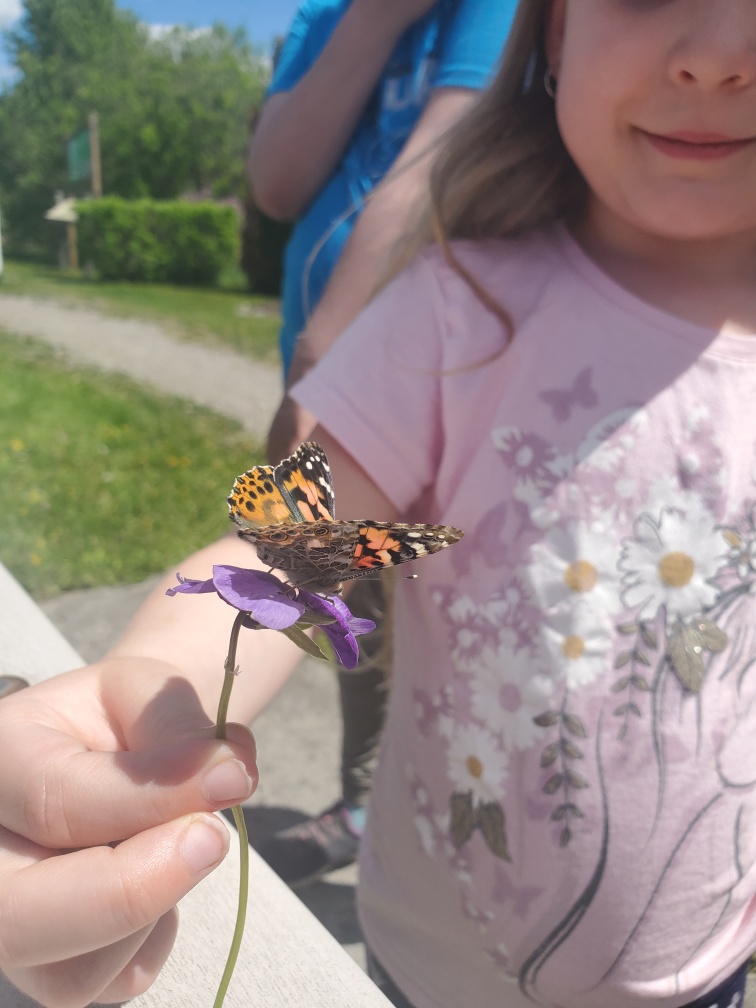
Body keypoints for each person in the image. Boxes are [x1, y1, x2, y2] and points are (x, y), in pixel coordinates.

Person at [2, 1, 756, 1006]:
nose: (713, 57)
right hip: (437, 969)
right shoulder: (463, 310)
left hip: (709, 974)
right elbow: (283, 550)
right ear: (558, 30)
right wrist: (132, 704)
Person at [249, 0, 515, 886]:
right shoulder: (326, 14)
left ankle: (455, 842)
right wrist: (371, 20)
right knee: (344, 595)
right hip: (321, 360)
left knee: (441, 615)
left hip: (425, 378)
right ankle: (367, 800)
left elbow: (447, 158)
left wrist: (325, 354)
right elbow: (277, 185)